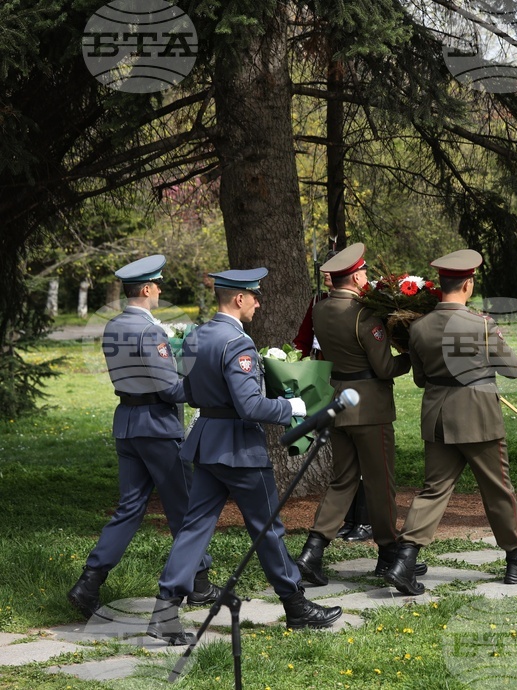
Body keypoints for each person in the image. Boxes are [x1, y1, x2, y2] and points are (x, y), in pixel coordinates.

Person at [148, 268, 341, 645]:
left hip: (207, 443)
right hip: (239, 449)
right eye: (254, 296)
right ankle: (296, 605)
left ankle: (164, 611)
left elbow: (191, 392)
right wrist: (292, 406)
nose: (258, 303)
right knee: (267, 527)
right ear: (239, 298)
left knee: (194, 528)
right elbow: (249, 406)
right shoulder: (238, 343)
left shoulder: (198, 335)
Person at [68, 255, 221, 620]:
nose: (160, 291)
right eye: (158, 286)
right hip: (157, 427)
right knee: (185, 508)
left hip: (127, 423)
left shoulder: (114, 325)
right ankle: (198, 584)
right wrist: (206, 385)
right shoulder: (150, 331)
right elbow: (169, 389)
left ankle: (89, 582)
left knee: (129, 509)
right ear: (148, 289)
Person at [384, 249, 517, 595]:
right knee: (497, 489)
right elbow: (513, 369)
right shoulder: (481, 324)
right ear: (468, 284)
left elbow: (421, 379)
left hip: (438, 417)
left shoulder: (419, 327)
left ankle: (404, 560)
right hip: (478, 416)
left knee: (433, 490)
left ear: (441, 285)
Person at [294, 243, 423, 585]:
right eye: (364, 273)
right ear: (354, 277)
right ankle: (388, 553)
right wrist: (411, 354)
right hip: (369, 408)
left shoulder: (320, 309)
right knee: (380, 483)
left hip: (337, 403)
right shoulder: (364, 315)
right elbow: (384, 368)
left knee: (342, 481)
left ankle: (312, 552)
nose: (367, 278)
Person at [292, 255, 373, 544]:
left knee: (366, 457)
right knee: (345, 460)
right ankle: (349, 519)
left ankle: (364, 520)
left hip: (359, 384)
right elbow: (303, 341)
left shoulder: (364, 304)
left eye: (333, 271)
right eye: (325, 271)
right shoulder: (318, 303)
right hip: (328, 383)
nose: (327, 275)